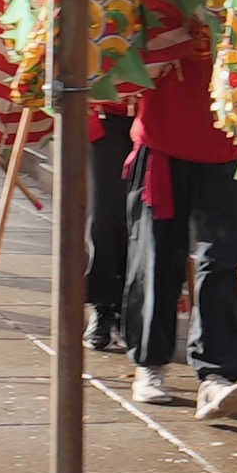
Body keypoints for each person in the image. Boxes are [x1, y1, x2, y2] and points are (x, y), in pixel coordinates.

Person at [126, 29, 237, 418]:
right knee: (158, 255)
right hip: (164, 139)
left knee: (221, 262)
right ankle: (149, 363)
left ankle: (216, 375)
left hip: (228, 143)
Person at [84, 105, 133, 353]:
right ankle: (102, 304)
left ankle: (130, 305)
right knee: (104, 214)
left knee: (144, 217)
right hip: (107, 109)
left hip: (158, 108)